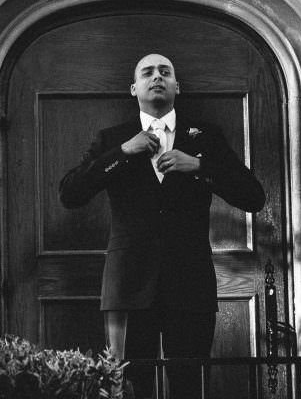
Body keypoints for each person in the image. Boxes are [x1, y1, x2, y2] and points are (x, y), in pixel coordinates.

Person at [59, 53, 265, 399]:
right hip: (128, 286)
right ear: (134, 88)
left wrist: (198, 166)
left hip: (191, 286)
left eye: (165, 72)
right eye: (148, 72)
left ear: (177, 86)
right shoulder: (112, 139)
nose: (157, 77)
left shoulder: (205, 138)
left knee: (190, 386)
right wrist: (124, 152)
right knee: (127, 386)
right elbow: (70, 194)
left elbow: (253, 197)